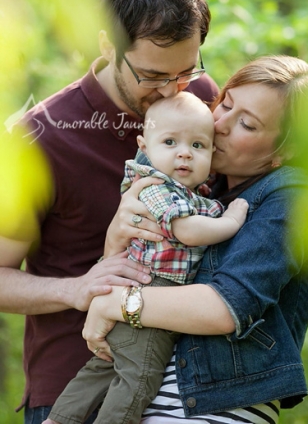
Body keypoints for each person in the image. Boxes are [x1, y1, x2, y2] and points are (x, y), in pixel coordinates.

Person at [65, 55, 308, 423]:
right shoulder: (198, 190)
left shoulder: (292, 196)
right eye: (225, 105)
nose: (219, 125)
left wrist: (116, 304)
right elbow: (130, 266)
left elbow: (225, 307)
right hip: (145, 392)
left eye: (246, 124)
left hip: (215, 409)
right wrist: (114, 239)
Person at [0, 0, 220, 424]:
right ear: (107, 45)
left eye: (184, 71)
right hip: (76, 387)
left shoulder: (197, 94)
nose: (171, 91)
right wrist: (78, 289)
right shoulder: (38, 141)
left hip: (185, 386)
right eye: (151, 76)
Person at [46, 92, 249, 424]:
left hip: (135, 292)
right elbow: (188, 232)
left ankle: (58, 419)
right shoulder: (155, 185)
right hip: (152, 293)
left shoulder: (190, 192)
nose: (184, 152)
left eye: (198, 146)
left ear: (213, 151)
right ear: (145, 145)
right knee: (139, 378)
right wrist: (232, 221)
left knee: (102, 368)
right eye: (170, 142)